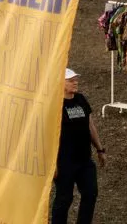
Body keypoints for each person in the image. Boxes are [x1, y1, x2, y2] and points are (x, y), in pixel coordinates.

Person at [52, 68, 103, 224]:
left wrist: (100, 149)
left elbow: (90, 125)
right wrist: (52, 164)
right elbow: (48, 135)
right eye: (71, 80)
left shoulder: (80, 99)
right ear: (60, 83)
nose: (76, 82)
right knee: (64, 198)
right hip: (64, 161)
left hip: (84, 159)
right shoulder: (54, 105)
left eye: (76, 79)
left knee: (91, 193)